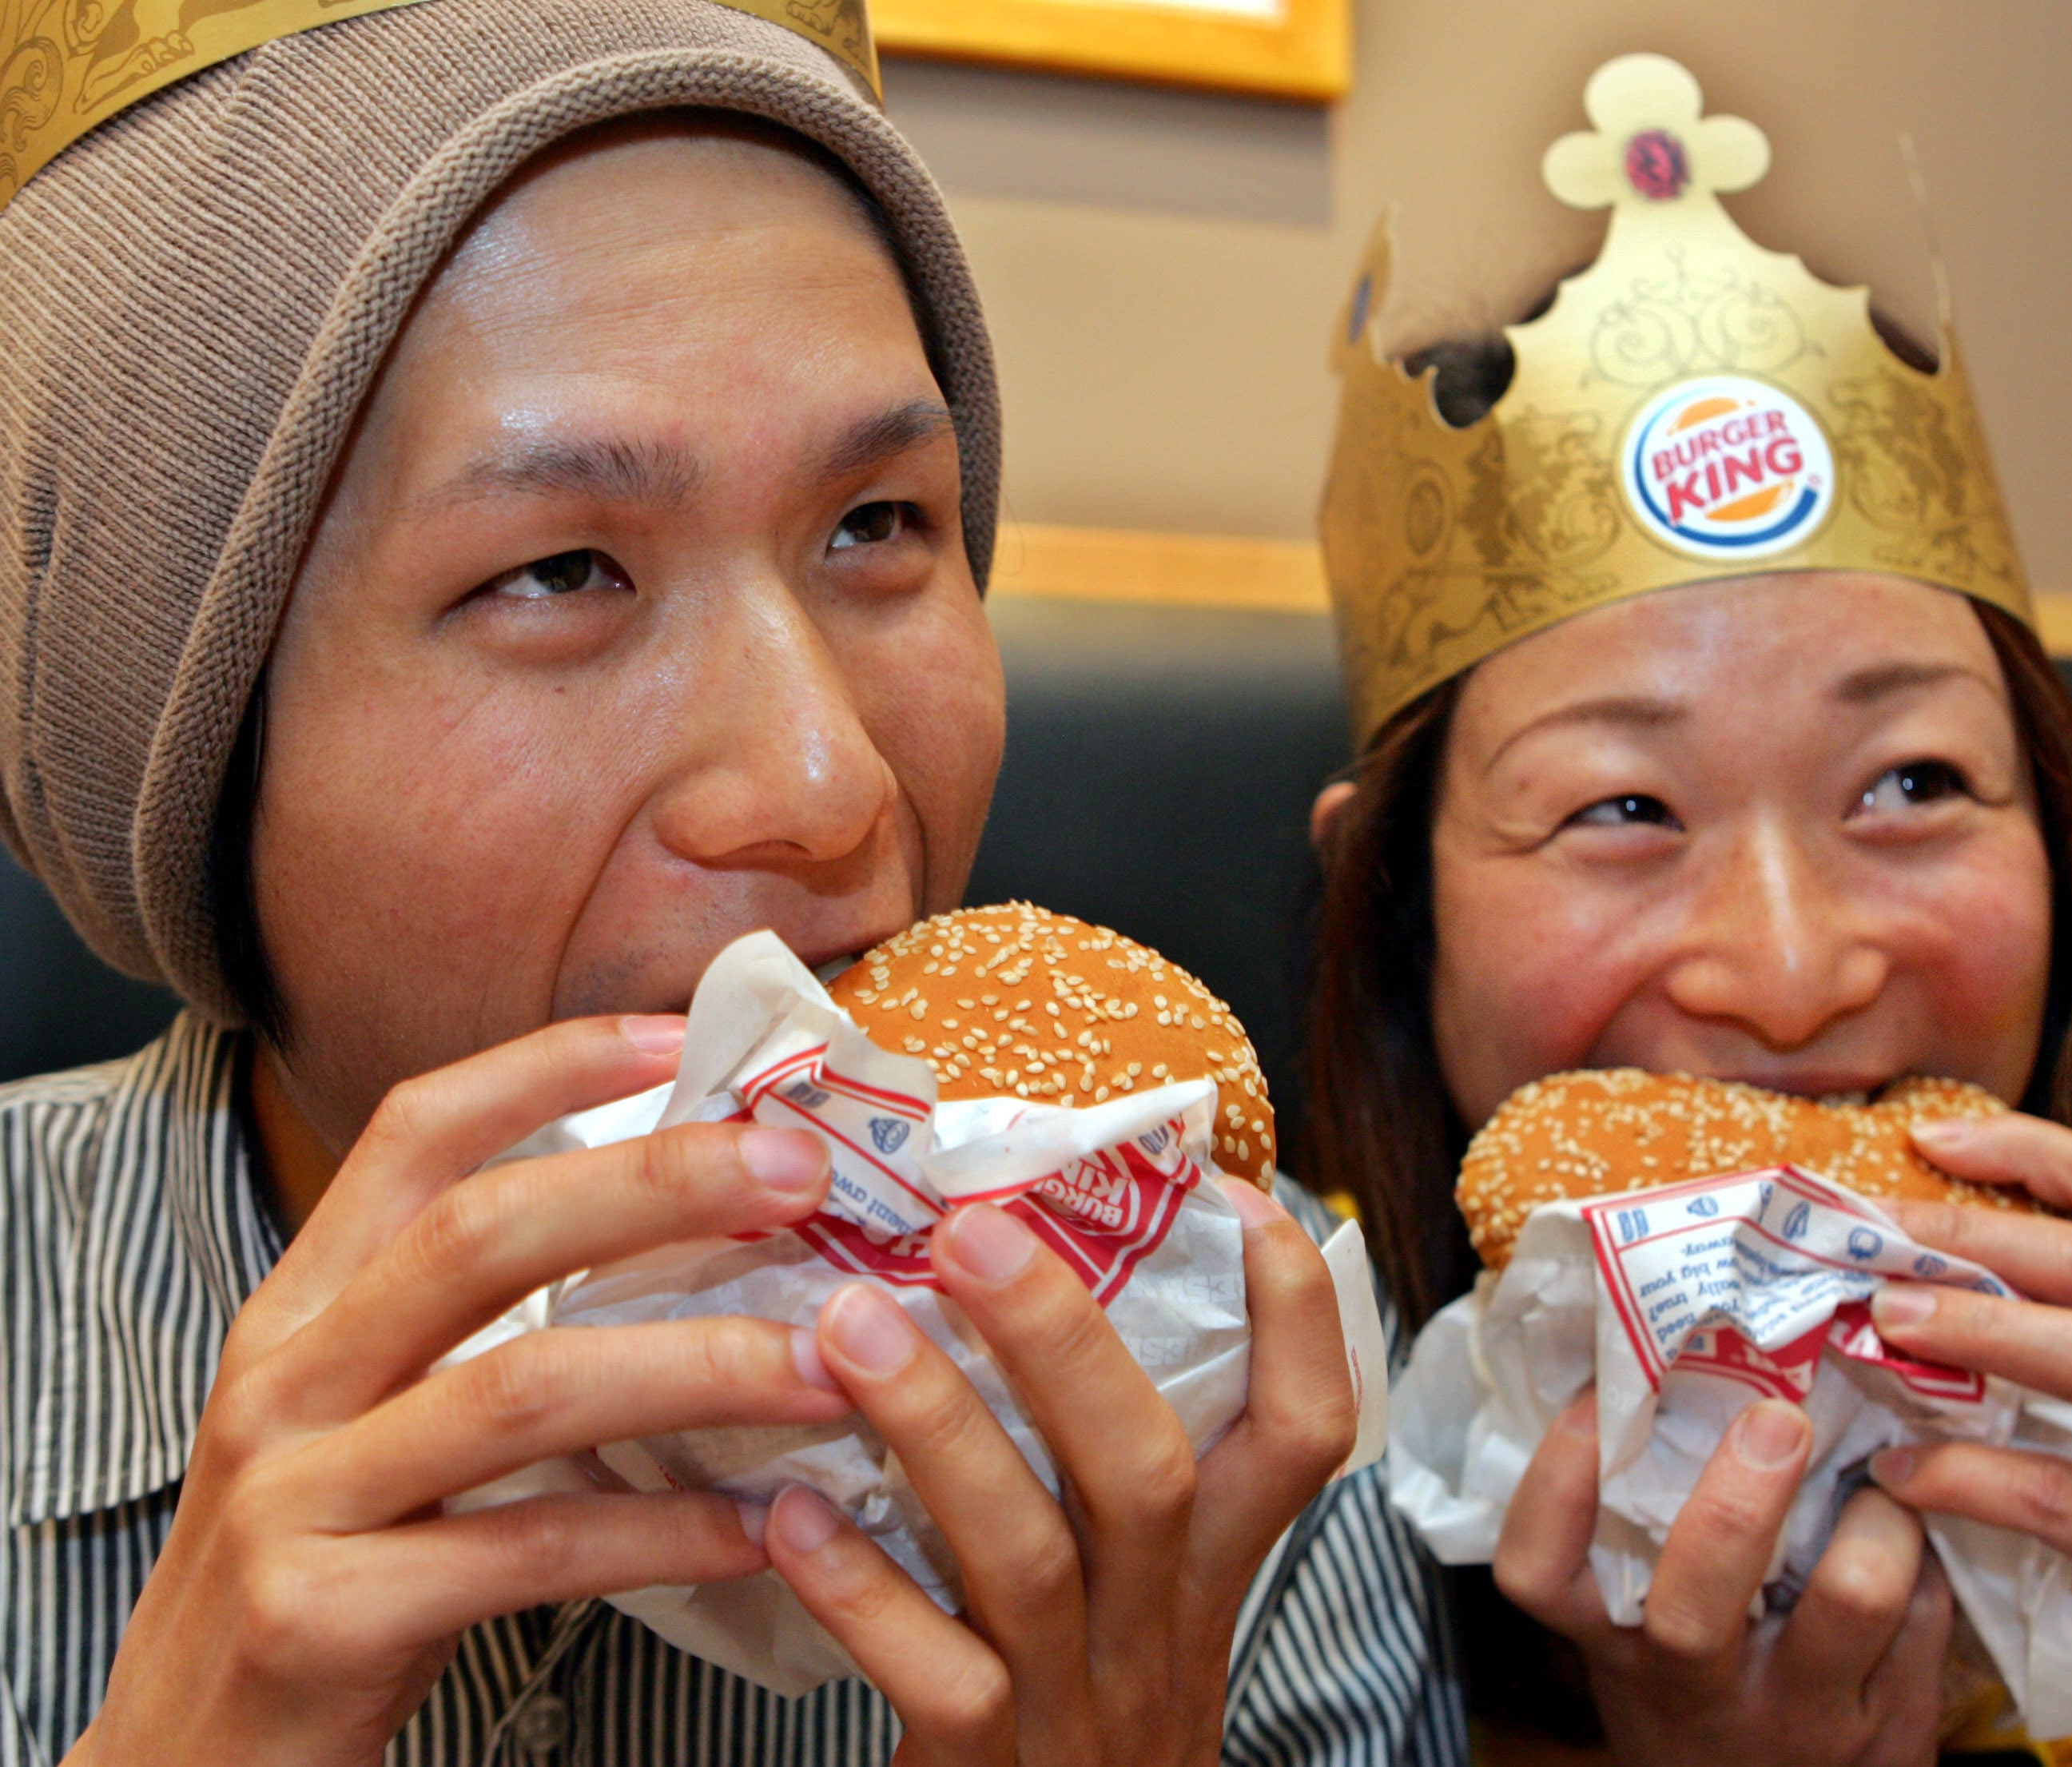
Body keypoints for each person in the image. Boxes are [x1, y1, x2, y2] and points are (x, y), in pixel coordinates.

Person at [0, 5, 1465, 1762]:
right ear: (181, 743)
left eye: (877, 525)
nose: (827, 785)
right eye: (558, 568)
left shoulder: (1239, 1359)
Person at [1303, 51, 2072, 1767]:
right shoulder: (1248, 1379)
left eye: (1907, 783)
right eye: (1621, 807)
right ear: (1389, 906)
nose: (1796, 976)